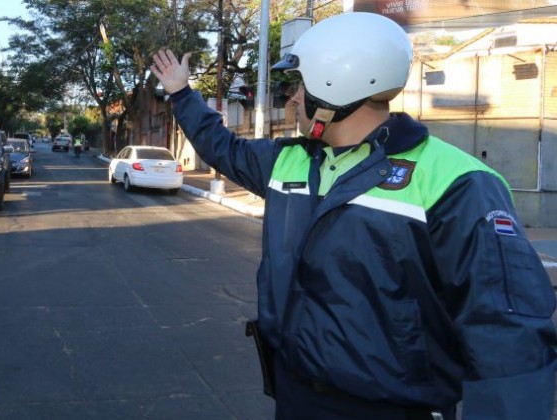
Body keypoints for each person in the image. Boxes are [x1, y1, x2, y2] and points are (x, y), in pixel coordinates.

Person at [150, 12, 557, 420]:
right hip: (295, 394)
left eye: (299, 87)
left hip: (391, 408)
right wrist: (182, 94)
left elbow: (508, 334)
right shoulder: (289, 161)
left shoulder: (457, 181)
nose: (292, 99)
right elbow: (222, 148)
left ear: (334, 86)